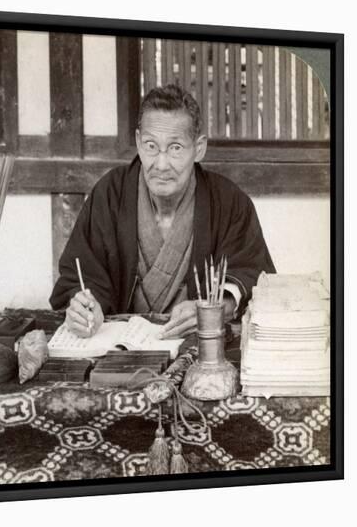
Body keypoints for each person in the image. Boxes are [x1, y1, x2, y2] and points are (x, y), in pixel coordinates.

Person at [49, 84, 275, 339]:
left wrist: (217, 308)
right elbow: (80, 274)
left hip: (199, 349)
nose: (161, 164)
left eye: (176, 148)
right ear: (137, 142)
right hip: (121, 352)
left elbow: (254, 274)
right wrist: (84, 308)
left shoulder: (228, 201)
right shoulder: (110, 194)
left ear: (198, 148)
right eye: (151, 146)